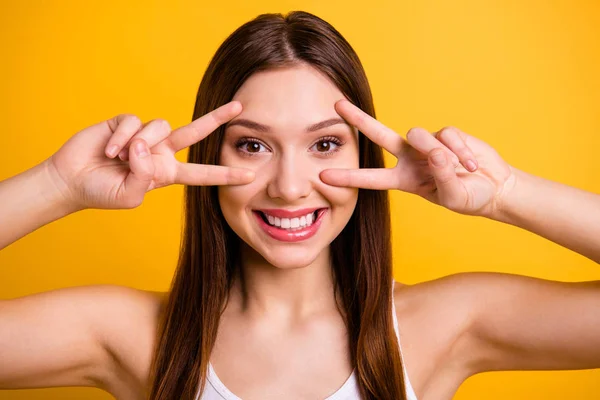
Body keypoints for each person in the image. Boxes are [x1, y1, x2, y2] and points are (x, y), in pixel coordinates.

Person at [1, 10, 599, 400]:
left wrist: (504, 195)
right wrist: (56, 186)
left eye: (325, 144)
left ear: (365, 157)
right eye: (254, 145)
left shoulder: (440, 326)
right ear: (210, 155)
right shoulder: (134, 335)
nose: (290, 185)